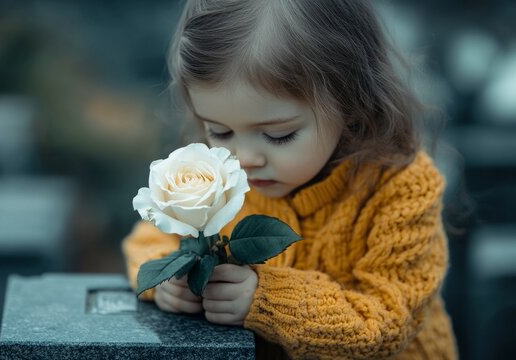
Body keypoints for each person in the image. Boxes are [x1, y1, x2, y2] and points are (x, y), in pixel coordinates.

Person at [122, 0, 458, 358]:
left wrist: (265, 298)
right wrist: (169, 280)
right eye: (220, 131)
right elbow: (150, 239)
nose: (244, 159)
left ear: (348, 102)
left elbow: (387, 322)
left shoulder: (400, 188)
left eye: (279, 135)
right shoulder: (216, 177)